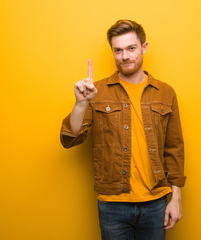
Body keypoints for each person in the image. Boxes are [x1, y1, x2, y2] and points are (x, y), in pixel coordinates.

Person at [60, 19, 186, 240]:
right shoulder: (95, 91)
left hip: (156, 203)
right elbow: (71, 139)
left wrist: (176, 198)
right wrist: (80, 104)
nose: (125, 56)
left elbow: (174, 148)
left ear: (144, 47)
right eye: (118, 50)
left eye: (131, 48)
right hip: (112, 205)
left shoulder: (165, 93)